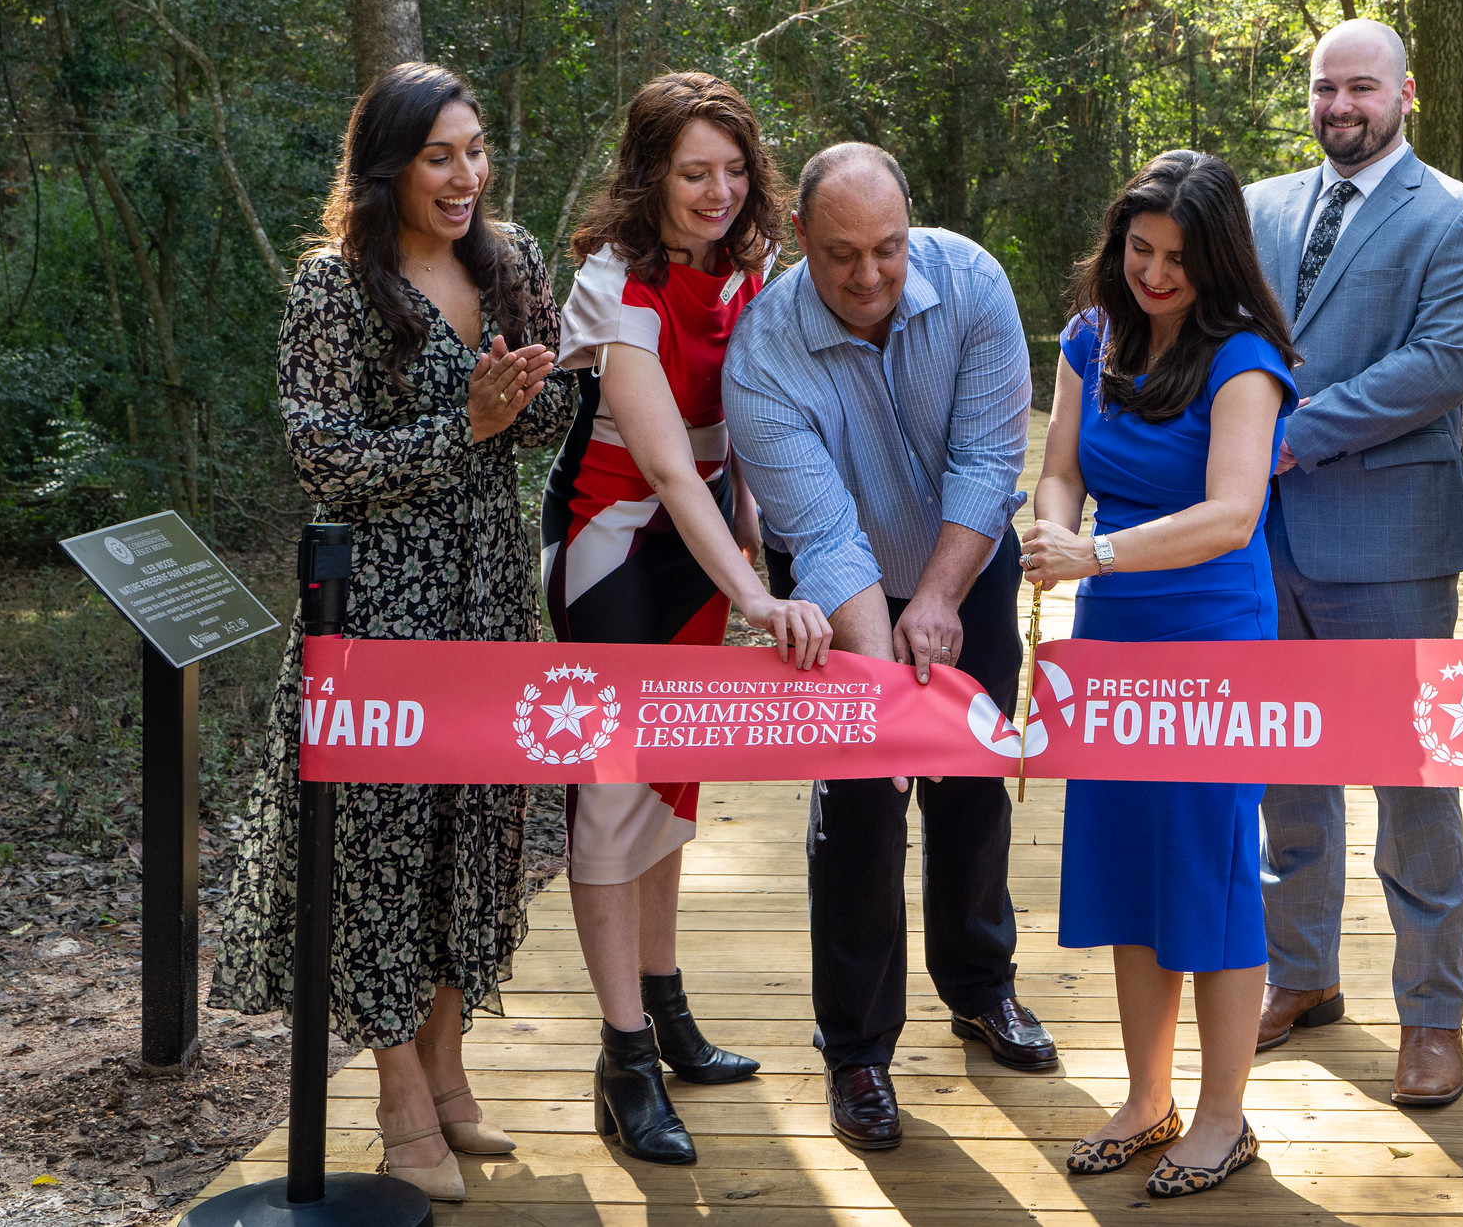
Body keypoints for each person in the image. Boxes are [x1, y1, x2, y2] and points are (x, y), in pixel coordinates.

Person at [211, 63, 572, 1203]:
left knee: (481, 836)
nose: (466, 176)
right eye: (439, 156)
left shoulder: (506, 261)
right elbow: (322, 462)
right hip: (378, 608)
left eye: (474, 152)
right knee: (378, 851)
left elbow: (550, 410)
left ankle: (452, 1072)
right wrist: (465, 426)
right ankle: (398, 1095)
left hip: (488, 594)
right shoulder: (335, 286)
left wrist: (527, 390)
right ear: (389, 166)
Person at [722, 142, 1054, 1153]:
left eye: (887, 250)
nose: (868, 277)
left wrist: (944, 597)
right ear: (798, 245)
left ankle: (980, 986)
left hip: (965, 559)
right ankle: (857, 1049)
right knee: (862, 803)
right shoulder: (761, 356)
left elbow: (989, 457)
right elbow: (822, 536)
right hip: (841, 588)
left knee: (969, 781)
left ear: (911, 231)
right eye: (839, 256)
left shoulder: (974, 283)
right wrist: (884, 671)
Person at [541, 71, 834, 1165]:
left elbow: (742, 434)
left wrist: (758, 541)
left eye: (732, 170)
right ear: (649, 174)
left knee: (670, 783)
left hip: (706, 544)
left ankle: (664, 1010)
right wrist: (757, 592)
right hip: (614, 549)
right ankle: (621, 1061)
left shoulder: (752, 270)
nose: (717, 192)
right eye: (691, 172)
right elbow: (665, 464)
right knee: (612, 801)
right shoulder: (611, 285)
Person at [1243, 18, 1463, 1106]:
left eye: (1360, 88)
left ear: (1404, 93)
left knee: (1412, 784)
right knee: (1283, 777)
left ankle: (1430, 1017)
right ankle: (1300, 978)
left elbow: (1440, 366)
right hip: (1260, 541)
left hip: (1389, 542)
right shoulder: (1255, 209)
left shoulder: (1458, 217)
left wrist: (1287, 434)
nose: (1339, 107)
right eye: (1322, 89)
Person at [1022, 150, 1297, 1198]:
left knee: (1212, 867)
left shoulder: (1245, 357)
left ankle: (1224, 1117)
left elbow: (1233, 516)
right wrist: (1052, 538)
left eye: (1178, 256)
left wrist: (1090, 551)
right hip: (1116, 629)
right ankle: (1147, 1097)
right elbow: (1059, 471)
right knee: (1132, 863)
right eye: (1139, 249)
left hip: (1213, 636)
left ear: (1216, 258)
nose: (1154, 272)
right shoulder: (1091, 335)